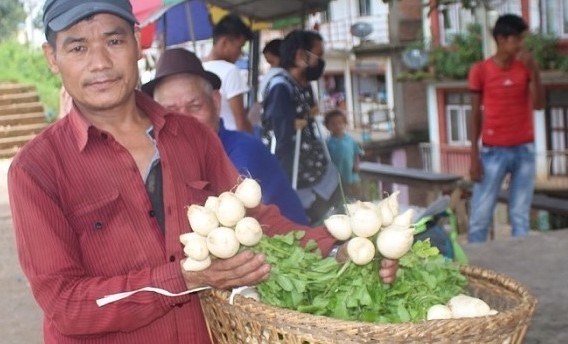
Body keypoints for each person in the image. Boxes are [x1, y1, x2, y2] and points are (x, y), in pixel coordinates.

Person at [8, 1, 397, 343]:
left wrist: (335, 248)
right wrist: (188, 278)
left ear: (137, 42)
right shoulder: (36, 169)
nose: (100, 63)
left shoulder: (192, 136)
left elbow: (255, 221)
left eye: (114, 41)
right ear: (51, 57)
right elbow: (66, 303)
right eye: (77, 47)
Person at [142, 48, 309, 225]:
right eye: (171, 111)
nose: (184, 120)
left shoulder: (242, 152)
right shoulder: (163, 159)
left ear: (216, 101)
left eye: (195, 106)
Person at [467, 14, 545, 243]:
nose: (521, 45)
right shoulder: (480, 70)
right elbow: (474, 114)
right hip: (493, 152)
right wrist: (473, 156)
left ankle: (518, 272)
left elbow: (539, 105)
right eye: (517, 39)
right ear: (501, 39)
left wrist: (534, 72)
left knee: (520, 216)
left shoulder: (524, 68)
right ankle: (476, 271)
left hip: (524, 149)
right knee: (480, 215)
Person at [262, 29, 340, 225]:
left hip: (313, 170)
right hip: (295, 178)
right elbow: (280, 138)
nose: (320, 62)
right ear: (300, 55)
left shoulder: (301, 84)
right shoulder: (281, 86)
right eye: (318, 56)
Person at [203, 14, 253, 133]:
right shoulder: (230, 71)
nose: (240, 53)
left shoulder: (198, 68)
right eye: (239, 47)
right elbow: (240, 123)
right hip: (231, 144)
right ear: (224, 42)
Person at [324, 109, 363, 200]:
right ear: (327, 126)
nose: (337, 126)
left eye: (340, 123)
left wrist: (357, 164)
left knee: (357, 193)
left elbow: (356, 153)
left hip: (351, 172)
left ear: (345, 124)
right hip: (337, 175)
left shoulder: (350, 139)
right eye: (333, 124)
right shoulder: (328, 142)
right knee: (342, 196)